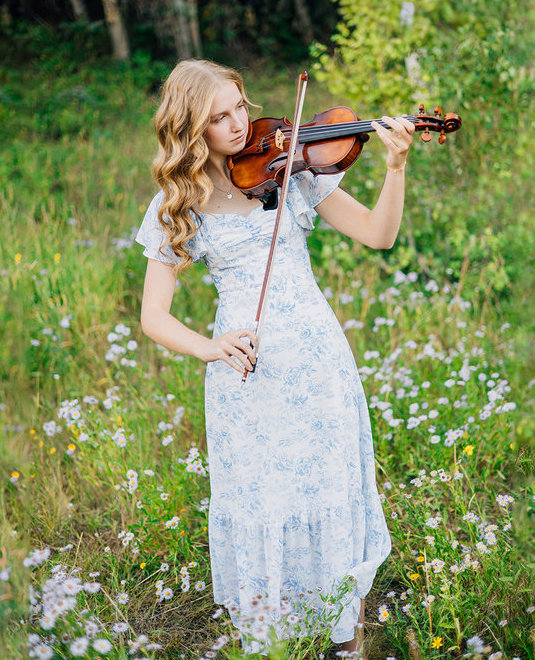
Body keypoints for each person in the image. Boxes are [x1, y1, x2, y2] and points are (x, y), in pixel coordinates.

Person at [136, 59, 415, 656]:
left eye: (240, 106)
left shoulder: (292, 169)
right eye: (219, 117)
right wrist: (210, 347)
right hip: (247, 374)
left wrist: (395, 168)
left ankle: (347, 643)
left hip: (317, 359)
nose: (239, 124)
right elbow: (153, 316)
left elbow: (379, 234)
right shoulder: (179, 203)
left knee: (329, 492)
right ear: (190, 128)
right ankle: (276, 644)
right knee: (265, 500)